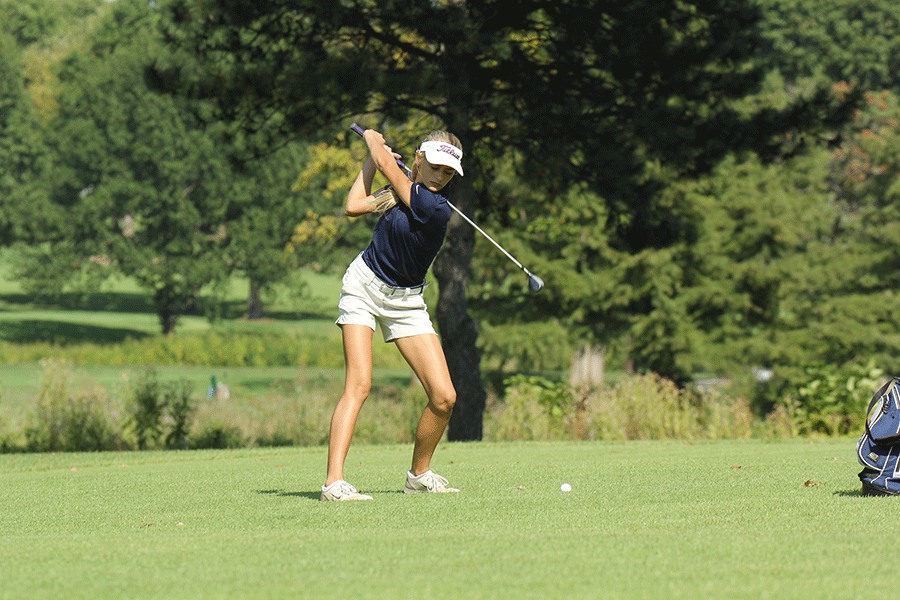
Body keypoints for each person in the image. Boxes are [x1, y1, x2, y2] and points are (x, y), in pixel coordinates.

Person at [320, 127, 465, 501]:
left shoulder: (434, 207)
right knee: (360, 383)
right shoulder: (401, 191)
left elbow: (388, 165)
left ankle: (419, 474)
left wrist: (372, 140)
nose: (439, 177)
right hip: (364, 286)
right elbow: (353, 205)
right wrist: (372, 160)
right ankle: (333, 483)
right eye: (433, 167)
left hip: (406, 303)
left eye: (448, 173)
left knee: (444, 397)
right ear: (418, 159)